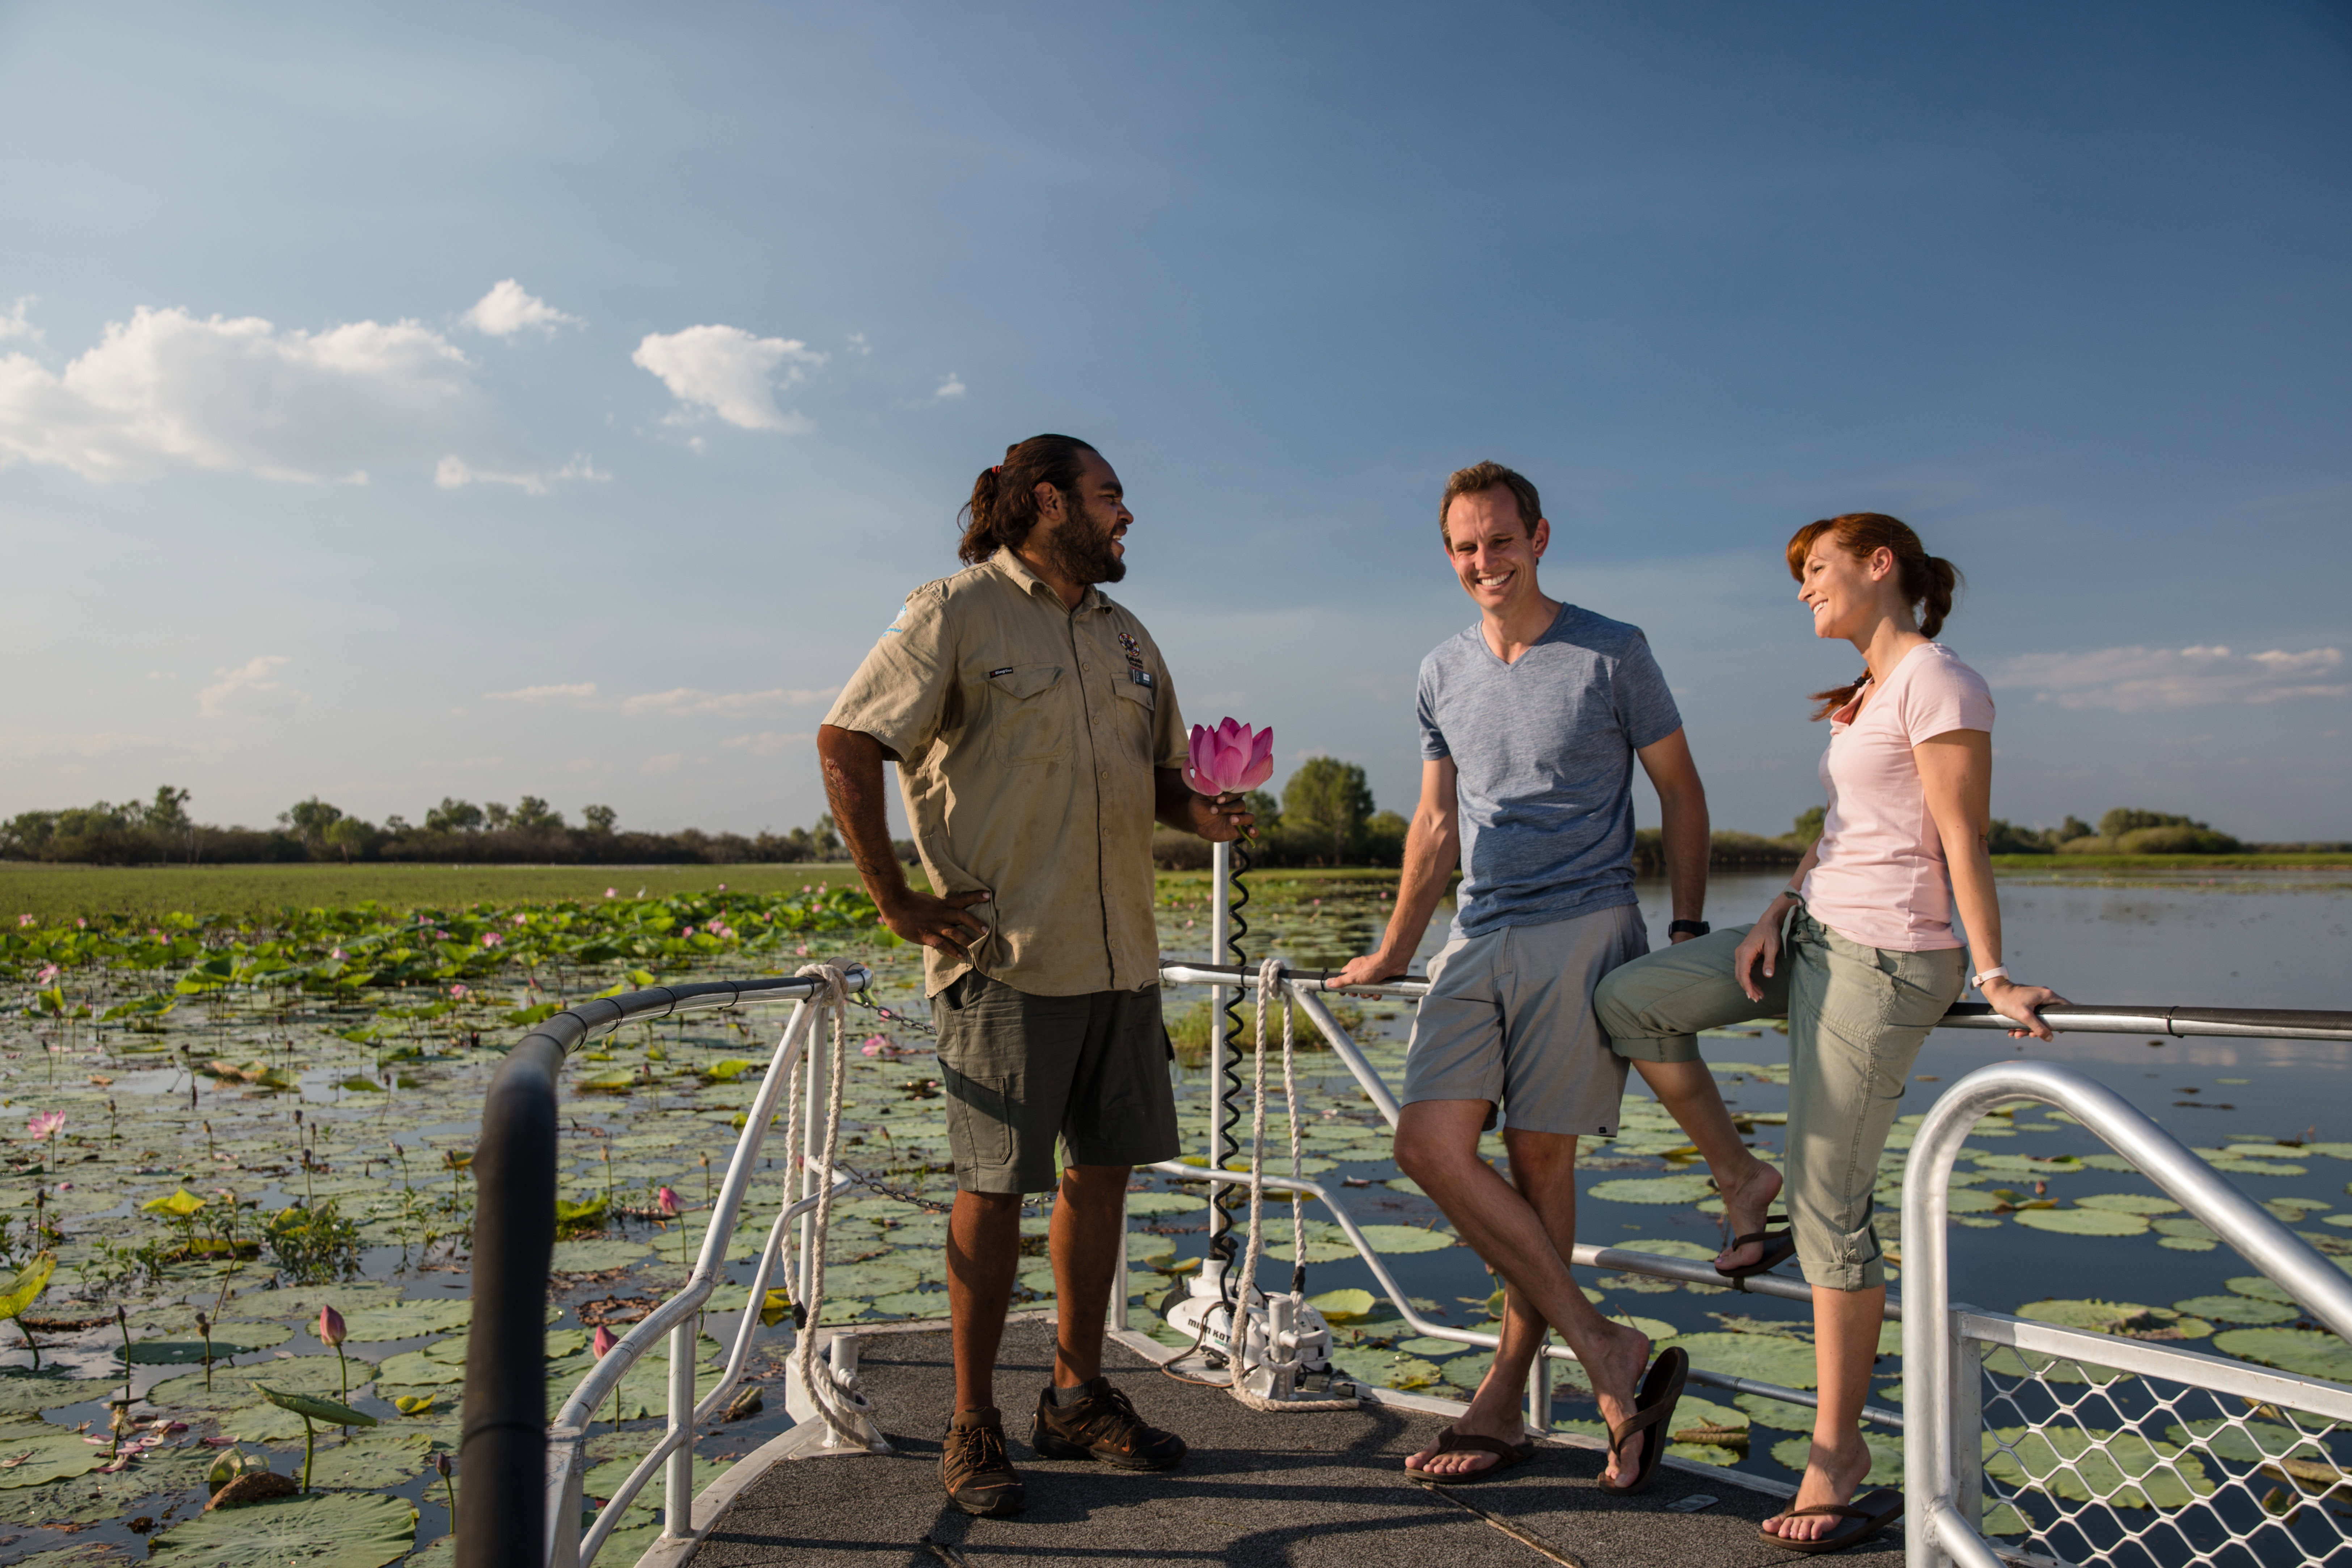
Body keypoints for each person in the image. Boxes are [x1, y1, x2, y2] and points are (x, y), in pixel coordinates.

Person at [1595, 512, 2067, 1552]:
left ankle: (1835, 1454)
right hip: (1809, 934)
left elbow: (1961, 834)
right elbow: (1846, 829)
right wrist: (1776, 906)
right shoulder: (1861, 699)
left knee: (1830, 1208)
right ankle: (1738, 1180)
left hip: (1889, 955)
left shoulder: (1941, 681)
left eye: (1816, 571)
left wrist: (1989, 973)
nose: (1804, 590)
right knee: (1631, 1001)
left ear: (1879, 566)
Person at [816, 434, 1250, 1518]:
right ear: (1049, 502)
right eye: (1111, 498)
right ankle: (974, 1421)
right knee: (993, 1189)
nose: (1126, 517)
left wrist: (1208, 813)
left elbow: (1162, 783)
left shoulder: (1128, 636)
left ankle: (1076, 1396)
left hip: (1120, 960)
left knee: (1101, 1176)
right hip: (1002, 957)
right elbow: (844, 739)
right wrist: (896, 902)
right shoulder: (954, 611)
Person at [1327, 460, 1767, 1489]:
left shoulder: (1613, 651)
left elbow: (1681, 794)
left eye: (1500, 540)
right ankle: (1606, 1349)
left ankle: (1502, 1404)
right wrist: (1395, 952)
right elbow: (1435, 825)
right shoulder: (1439, 670)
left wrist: (1687, 929)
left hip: (1584, 927)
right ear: (1450, 555)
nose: (1485, 561)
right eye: (1465, 547)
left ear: (1539, 537)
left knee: (1539, 1166)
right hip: (1475, 935)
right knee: (1428, 1144)